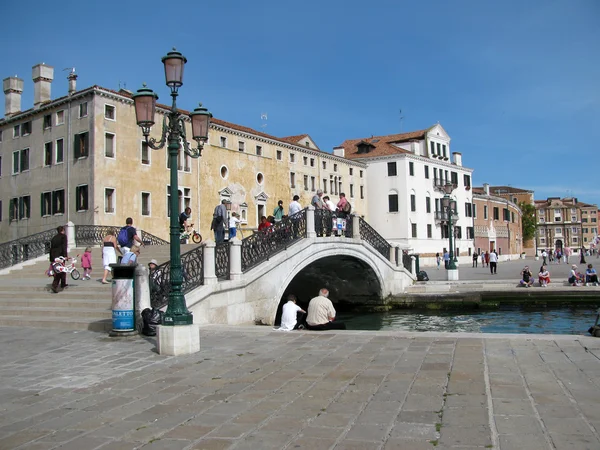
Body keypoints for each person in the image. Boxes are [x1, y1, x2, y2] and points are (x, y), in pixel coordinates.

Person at [49, 226, 68, 293]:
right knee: (60, 270)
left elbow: (51, 248)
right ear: (62, 230)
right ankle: (54, 285)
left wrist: (52, 258)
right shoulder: (63, 237)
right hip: (60, 256)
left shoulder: (54, 238)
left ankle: (63, 283)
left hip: (54, 256)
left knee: (60, 270)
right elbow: (64, 247)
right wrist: (65, 256)